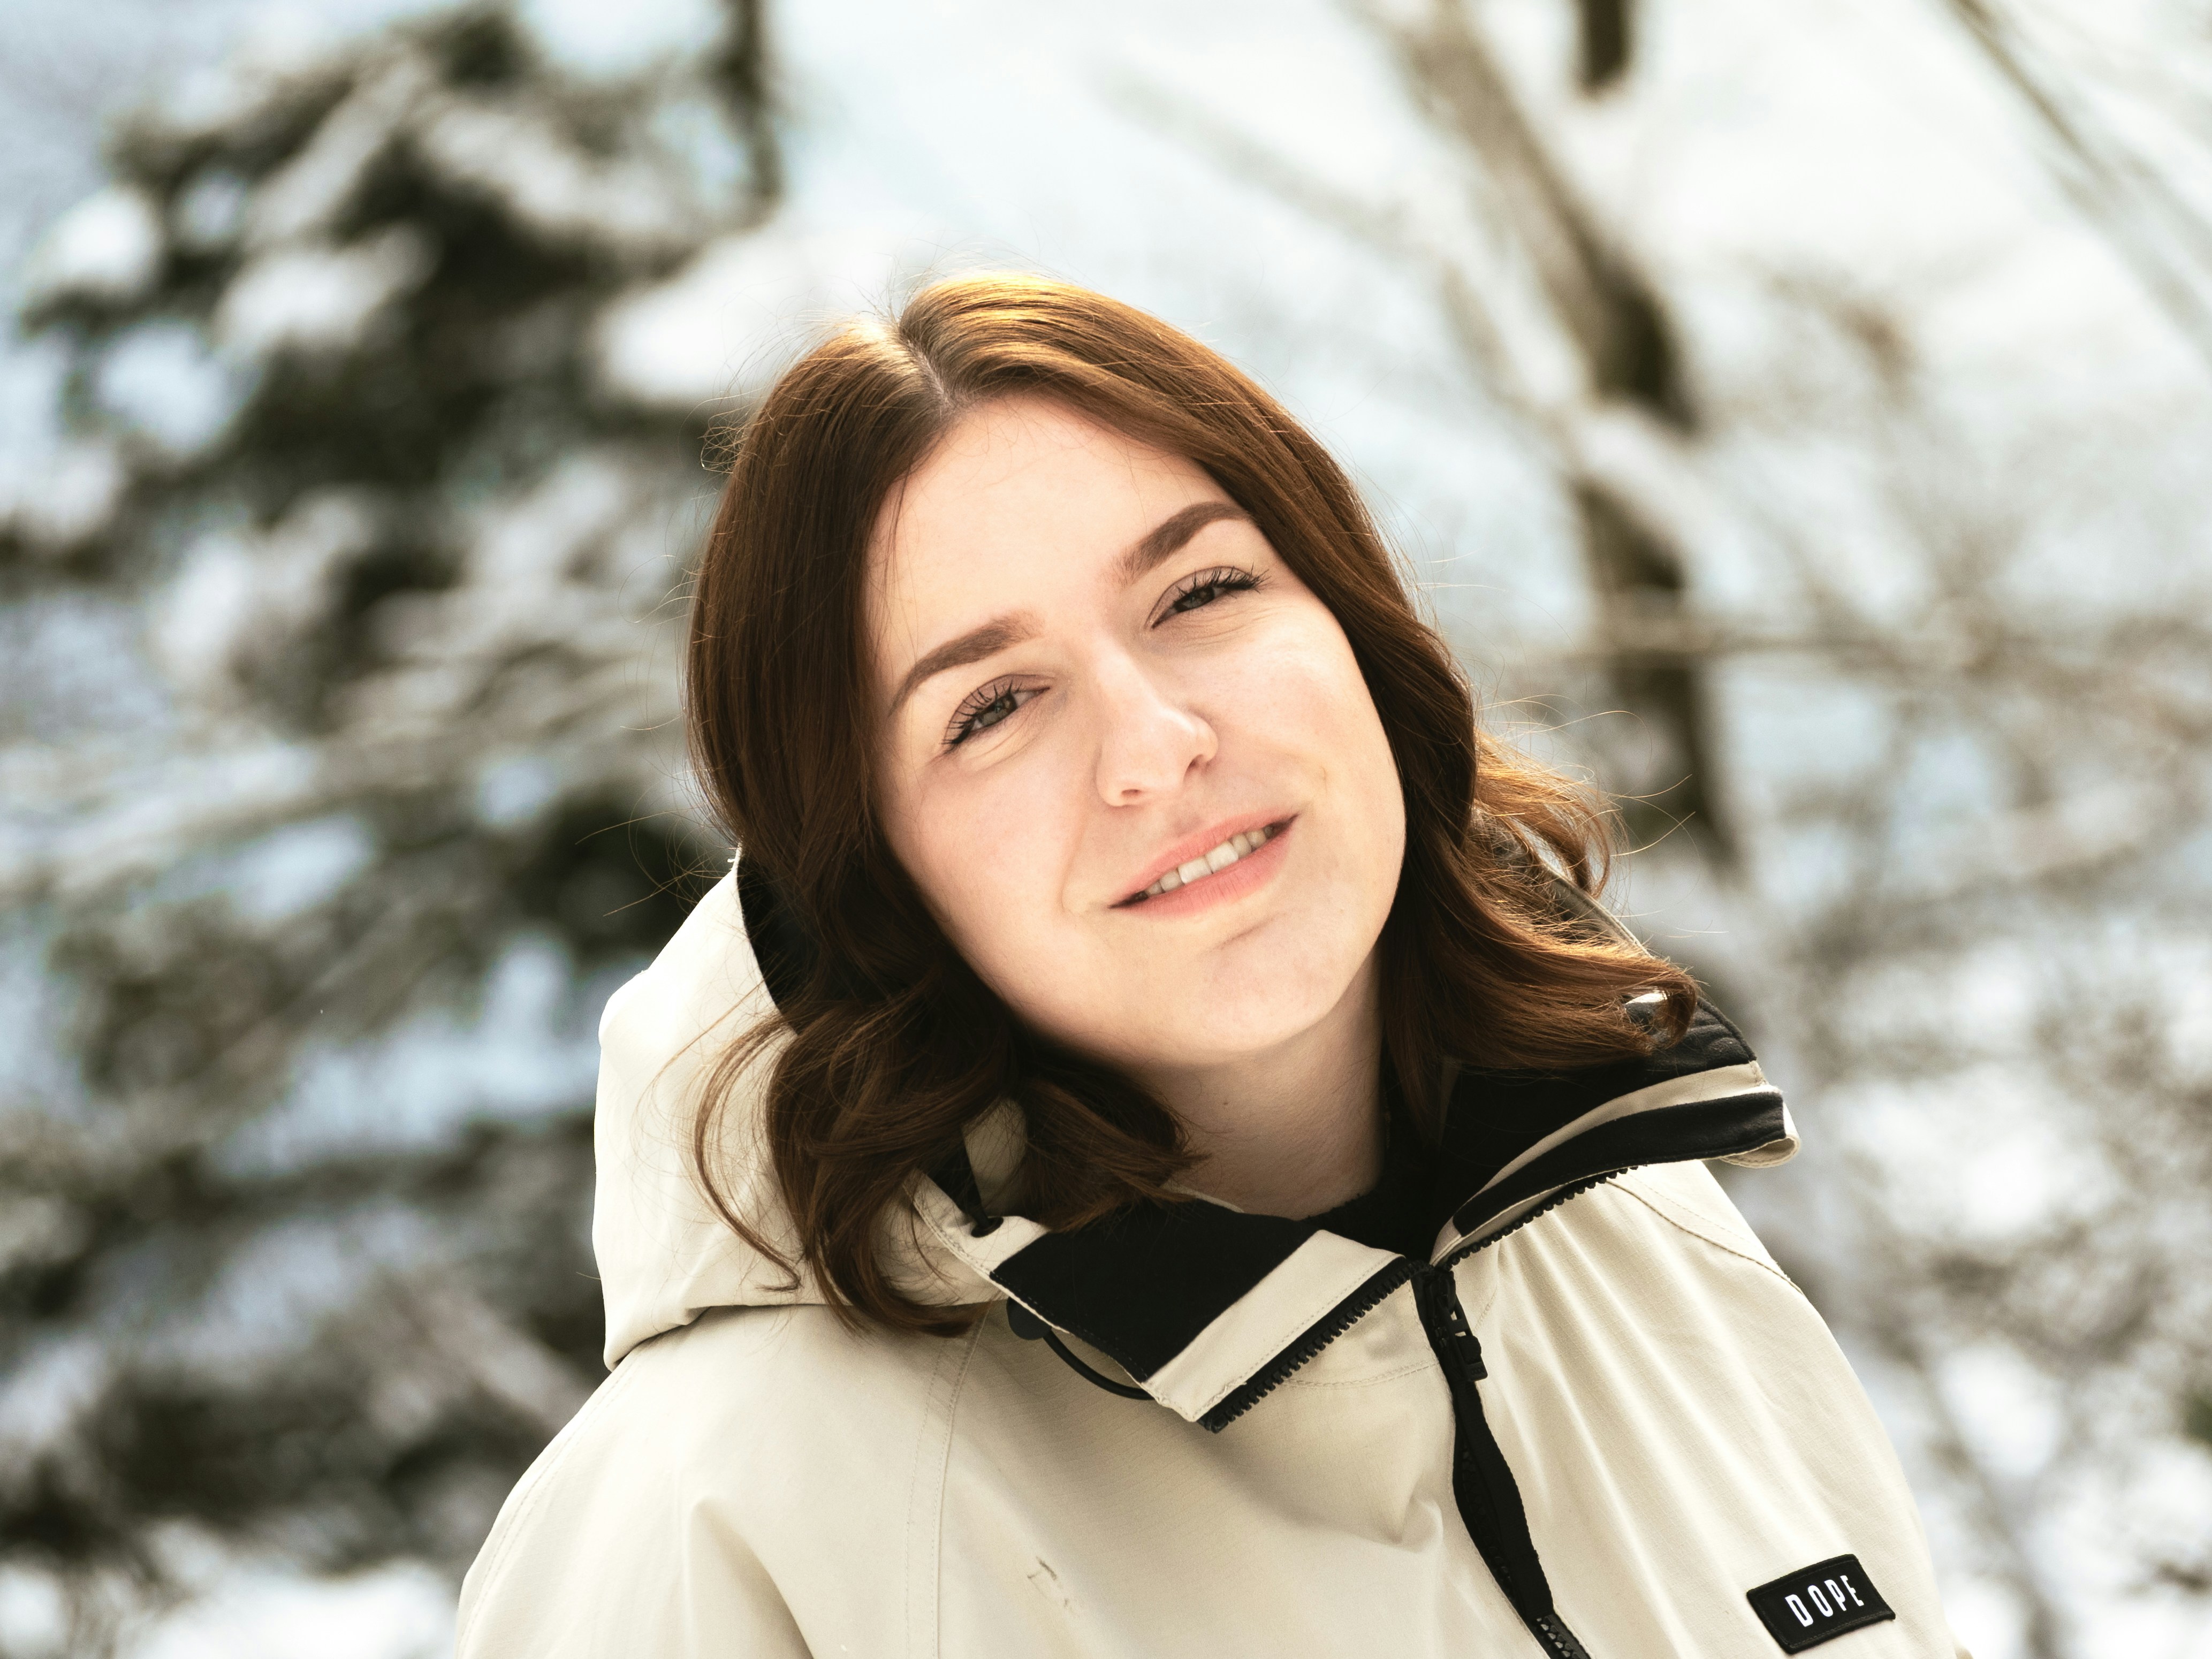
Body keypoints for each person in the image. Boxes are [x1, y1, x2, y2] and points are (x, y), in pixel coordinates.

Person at [456, 275, 1965, 1657]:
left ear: (1358, 628)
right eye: (992, 707)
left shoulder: (1651, 1248)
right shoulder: (714, 1519)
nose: (1156, 742)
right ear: (872, 879)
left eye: (1201, 594)